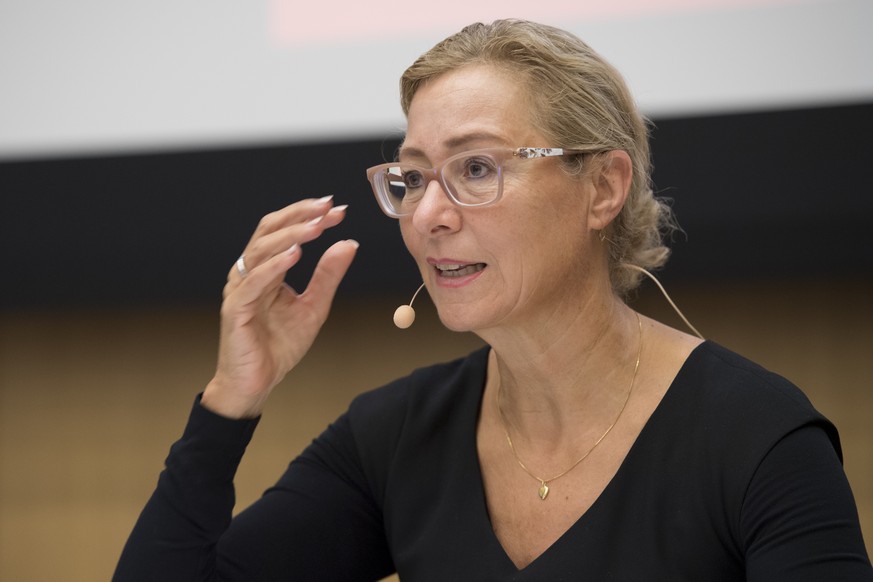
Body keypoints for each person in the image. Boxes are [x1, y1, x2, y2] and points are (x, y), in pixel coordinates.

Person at [114, 19, 872, 581]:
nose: (426, 214)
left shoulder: (757, 438)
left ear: (602, 187)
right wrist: (230, 397)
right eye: (411, 177)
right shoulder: (395, 435)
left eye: (476, 169)